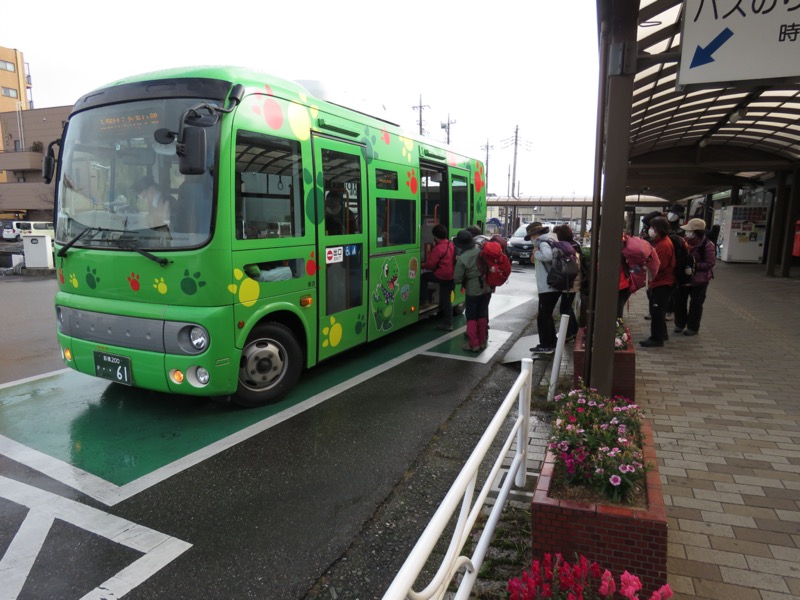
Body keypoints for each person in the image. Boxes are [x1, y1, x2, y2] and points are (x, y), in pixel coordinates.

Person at [674, 218, 716, 336]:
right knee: (680, 302)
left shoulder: (707, 245)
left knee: (696, 304)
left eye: (689, 231)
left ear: (696, 232)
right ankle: (679, 324)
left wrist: (693, 266)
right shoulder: (684, 242)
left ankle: (692, 327)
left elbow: (710, 263)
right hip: (684, 278)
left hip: (700, 280)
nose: (687, 233)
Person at [640, 216, 675, 348]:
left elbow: (660, 266)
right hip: (661, 281)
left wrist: (645, 265)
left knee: (657, 311)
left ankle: (657, 338)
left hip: (662, 282)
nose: (650, 230)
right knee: (658, 310)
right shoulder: (661, 242)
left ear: (658, 229)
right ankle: (662, 334)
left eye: (652, 227)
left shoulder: (664, 245)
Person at [453, 229, 490, 352]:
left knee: (471, 317)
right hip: (486, 288)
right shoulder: (482, 251)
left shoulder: (463, 258)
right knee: (482, 314)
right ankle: (482, 340)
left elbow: (457, 279)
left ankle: (473, 344)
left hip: (473, 290)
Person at [526, 222, 560, 355]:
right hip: (551, 285)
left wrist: (536, 254)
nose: (531, 239)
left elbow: (547, 256)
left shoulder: (542, 242)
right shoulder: (550, 239)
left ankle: (545, 345)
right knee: (547, 315)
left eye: (530, 236)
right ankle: (552, 342)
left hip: (548, 287)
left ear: (535, 234)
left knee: (543, 317)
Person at [421, 223, 456, 331]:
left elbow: (430, 265)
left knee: (424, 277)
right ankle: (448, 323)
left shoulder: (438, 248)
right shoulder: (451, 245)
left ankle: (425, 300)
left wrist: (421, 265)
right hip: (451, 276)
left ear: (435, 236)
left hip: (440, 275)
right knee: (447, 300)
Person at [552, 224, 581, 342]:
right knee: (567, 307)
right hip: (575, 280)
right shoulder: (575, 244)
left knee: (564, 308)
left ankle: (568, 334)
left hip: (570, 281)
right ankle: (574, 331)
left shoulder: (566, 247)